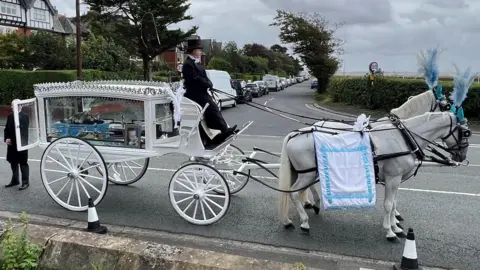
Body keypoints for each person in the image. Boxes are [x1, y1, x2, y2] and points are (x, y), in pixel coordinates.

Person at [181, 38, 238, 145]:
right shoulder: (188, 64)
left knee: (214, 106)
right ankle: (223, 130)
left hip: (201, 92)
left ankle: (219, 132)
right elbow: (194, 80)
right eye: (198, 50)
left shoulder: (197, 64)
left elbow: (204, 77)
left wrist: (209, 83)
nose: (200, 52)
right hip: (194, 93)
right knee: (211, 108)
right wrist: (207, 84)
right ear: (194, 51)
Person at [4, 99, 30, 190]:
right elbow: (6, 128)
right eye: (11, 105)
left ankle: (25, 182)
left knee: (23, 163)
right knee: (13, 162)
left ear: (20, 106)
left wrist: (12, 140)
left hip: (21, 144)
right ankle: (15, 180)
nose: (11, 107)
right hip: (11, 144)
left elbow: (23, 132)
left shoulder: (25, 116)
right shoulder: (10, 116)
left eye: (13, 105)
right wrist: (7, 138)